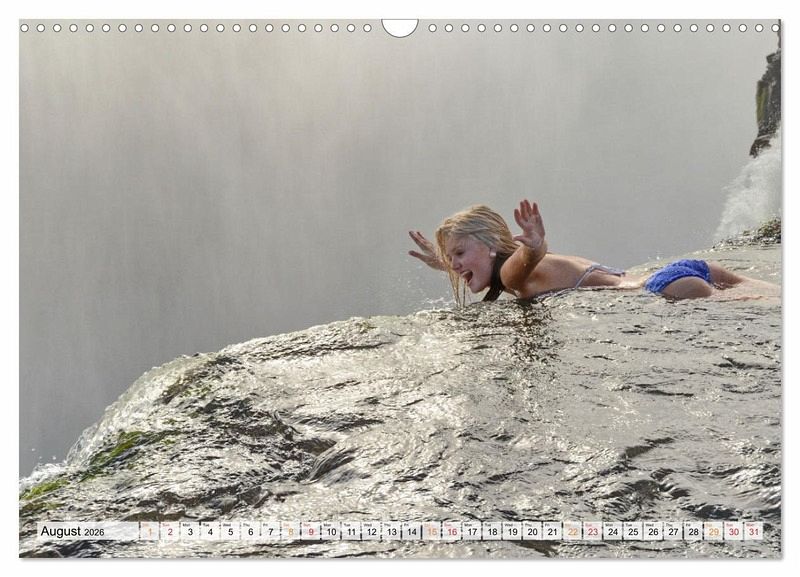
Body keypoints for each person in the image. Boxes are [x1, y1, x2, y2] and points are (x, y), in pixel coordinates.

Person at [408, 200, 776, 305]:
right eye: (451, 257)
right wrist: (445, 264)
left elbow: (522, 264)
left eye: (459, 253)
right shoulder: (509, 264)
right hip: (684, 272)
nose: (455, 264)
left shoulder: (512, 273)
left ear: (491, 246)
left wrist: (535, 247)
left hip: (664, 290)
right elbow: (510, 262)